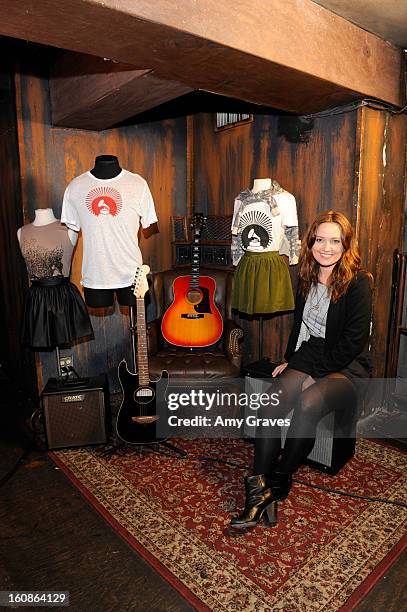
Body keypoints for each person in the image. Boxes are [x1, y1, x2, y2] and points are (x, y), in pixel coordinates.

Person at [229, 210, 373, 532]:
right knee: (270, 403)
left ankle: (279, 480)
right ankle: (258, 494)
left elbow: (353, 342)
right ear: (310, 244)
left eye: (335, 240)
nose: (326, 247)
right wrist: (290, 359)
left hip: (348, 366)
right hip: (313, 353)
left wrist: (312, 373)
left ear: (346, 245)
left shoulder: (358, 282)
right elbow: (300, 325)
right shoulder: (307, 275)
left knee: (308, 402)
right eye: (320, 240)